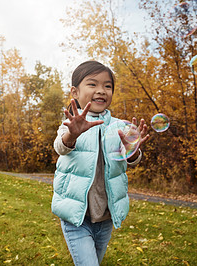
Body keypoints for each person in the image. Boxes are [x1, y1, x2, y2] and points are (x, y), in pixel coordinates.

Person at [51, 60, 149, 265]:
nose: (101, 90)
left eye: (107, 86)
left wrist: (132, 150)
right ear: (75, 92)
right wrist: (72, 134)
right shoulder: (70, 124)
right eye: (93, 84)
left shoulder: (120, 126)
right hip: (76, 217)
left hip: (105, 216)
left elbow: (131, 160)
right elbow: (60, 147)